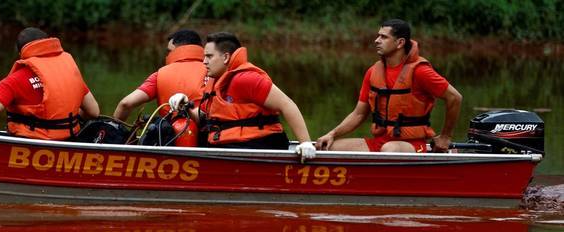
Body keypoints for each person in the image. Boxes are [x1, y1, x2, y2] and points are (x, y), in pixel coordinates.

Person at [316, 19, 462, 153]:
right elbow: (359, 114)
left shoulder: (420, 71)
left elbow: (454, 97)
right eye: (378, 36)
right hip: (380, 143)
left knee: (389, 149)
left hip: (413, 145)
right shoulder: (373, 72)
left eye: (383, 37)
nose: (376, 40)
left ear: (400, 43)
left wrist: (445, 136)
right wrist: (332, 134)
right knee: (327, 147)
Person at [169, 32, 316, 161]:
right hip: (230, 145)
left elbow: (287, 104)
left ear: (226, 57)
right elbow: (206, 118)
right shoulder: (215, 80)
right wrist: (186, 106)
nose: (204, 62)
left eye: (209, 56)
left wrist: (305, 143)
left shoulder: (247, 79)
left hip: (259, 144)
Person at [0, 27, 99, 140]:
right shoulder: (69, 74)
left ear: (21, 53)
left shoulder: (14, 81)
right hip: (68, 142)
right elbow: (94, 111)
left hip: (30, 146)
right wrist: (65, 122)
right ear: (48, 44)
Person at [112, 29, 206, 122]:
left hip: (170, 134)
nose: (167, 55)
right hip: (208, 134)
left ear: (178, 50)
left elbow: (125, 104)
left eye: (169, 51)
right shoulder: (214, 73)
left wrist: (115, 130)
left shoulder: (160, 75)